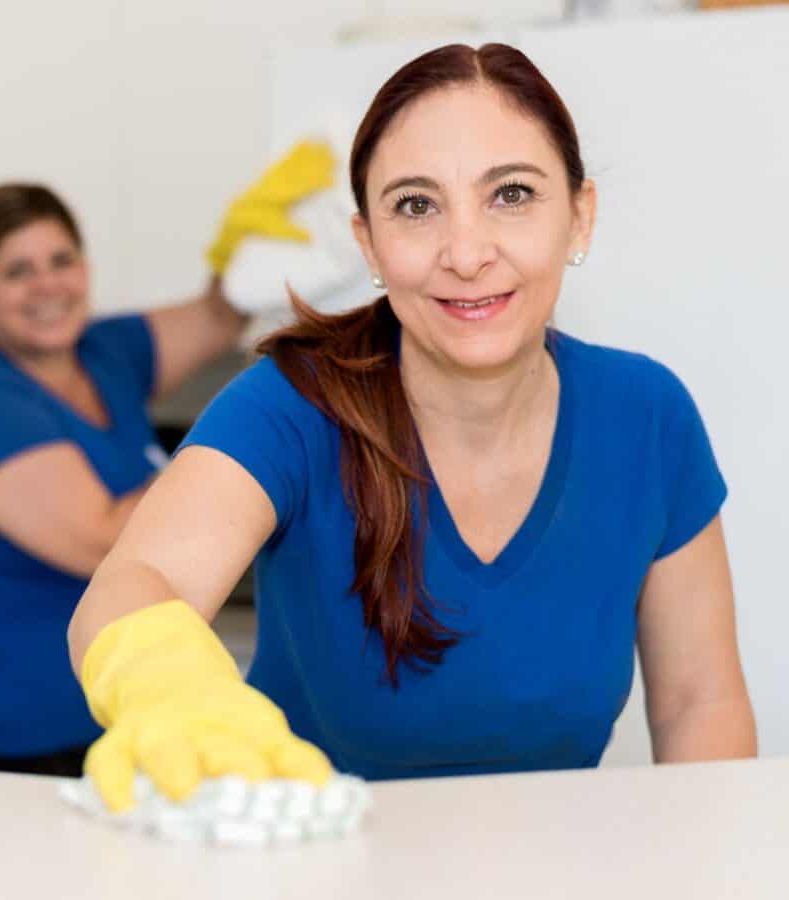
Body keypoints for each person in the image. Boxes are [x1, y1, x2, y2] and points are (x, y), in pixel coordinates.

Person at [68, 42, 758, 812]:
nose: (465, 254)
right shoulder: (292, 406)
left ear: (579, 217)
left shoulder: (648, 418)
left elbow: (699, 701)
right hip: (312, 868)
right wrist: (167, 681)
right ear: (369, 244)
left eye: (512, 194)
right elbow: (131, 584)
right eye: (416, 206)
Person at [0, 143, 336, 775]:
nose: (48, 285)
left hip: (107, 728)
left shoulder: (106, 353)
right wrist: (251, 474)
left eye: (61, 260)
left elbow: (219, 315)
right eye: (17, 271)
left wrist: (255, 255)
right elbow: (104, 540)